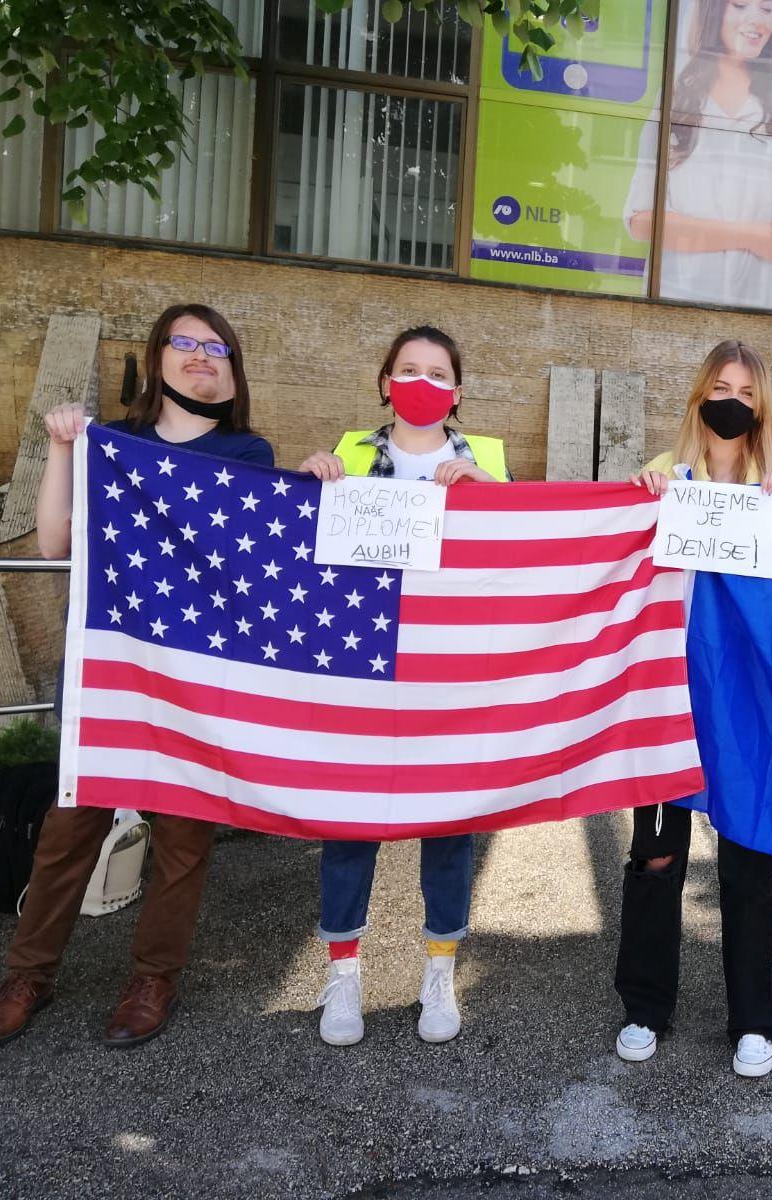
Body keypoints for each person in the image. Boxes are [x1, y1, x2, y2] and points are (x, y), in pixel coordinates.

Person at [0, 303, 274, 1049]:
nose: (201, 357)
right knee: (71, 826)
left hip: (197, 668)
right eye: (185, 343)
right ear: (158, 356)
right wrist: (64, 446)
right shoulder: (118, 444)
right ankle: (28, 975)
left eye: (217, 348)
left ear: (232, 370)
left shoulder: (249, 454)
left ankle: (152, 979)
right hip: (110, 662)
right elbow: (51, 543)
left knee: (182, 832)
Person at [297, 324, 507, 1048]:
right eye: (408, 369)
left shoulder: (490, 460)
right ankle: (343, 974)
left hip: (450, 672)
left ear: (457, 389)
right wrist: (309, 483)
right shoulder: (351, 451)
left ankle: (439, 972)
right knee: (349, 826)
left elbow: (520, 559)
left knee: (450, 827)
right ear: (385, 381)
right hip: (363, 666)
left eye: (438, 371)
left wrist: (488, 496)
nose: (423, 380)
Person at [614, 338, 772, 1078]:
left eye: (746, 392)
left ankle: (753, 1020)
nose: (731, 400)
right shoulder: (662, 477)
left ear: (760, 410)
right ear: (699, 394)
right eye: (720, 386)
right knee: (656, 857)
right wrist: (631, 502)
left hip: (745, 703)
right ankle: (643, 1005)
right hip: (668, 695)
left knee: (748, 862)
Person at [625, 0, 772, 308]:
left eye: (766, 9)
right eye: (739, 5)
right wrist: (750, 237)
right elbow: (642, 222)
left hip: (755, 309)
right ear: (712, 12)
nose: (757, 19)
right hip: (675, 303)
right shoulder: (675, 99)